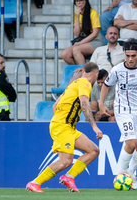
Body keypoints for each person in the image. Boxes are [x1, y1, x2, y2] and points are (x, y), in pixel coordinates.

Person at [26, 62, 103, 193]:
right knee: (65, 161)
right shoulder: (85, 84)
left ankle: (69, 177)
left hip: (67, 127)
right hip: (63, 126)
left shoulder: (73, 85)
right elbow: (85, 105)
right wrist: (95, 127)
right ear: (96, 74)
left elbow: (55, 105)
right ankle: (34, 183)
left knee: (94, 151)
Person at [99, 38, 137, 190]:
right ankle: (120, 175)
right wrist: (101, 104)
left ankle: (131, 174)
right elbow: (106, 85)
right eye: (127, 56)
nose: (130, 59)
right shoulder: (117, 70)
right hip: (123, 109)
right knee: (131, 144)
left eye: (133, 55)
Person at [61, 0, 103, 65]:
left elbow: (95, 33)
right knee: (65, 54)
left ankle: (84, 72)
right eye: (77, 1)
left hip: (95, 40)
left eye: (81, 0)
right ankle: (79, 70)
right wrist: (77, 17)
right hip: (83, 39)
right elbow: (76, 34)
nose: (79, 3)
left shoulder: (93, 12)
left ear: (86, 1)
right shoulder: (76, 14)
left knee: (76, 49)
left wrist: (81, 42)